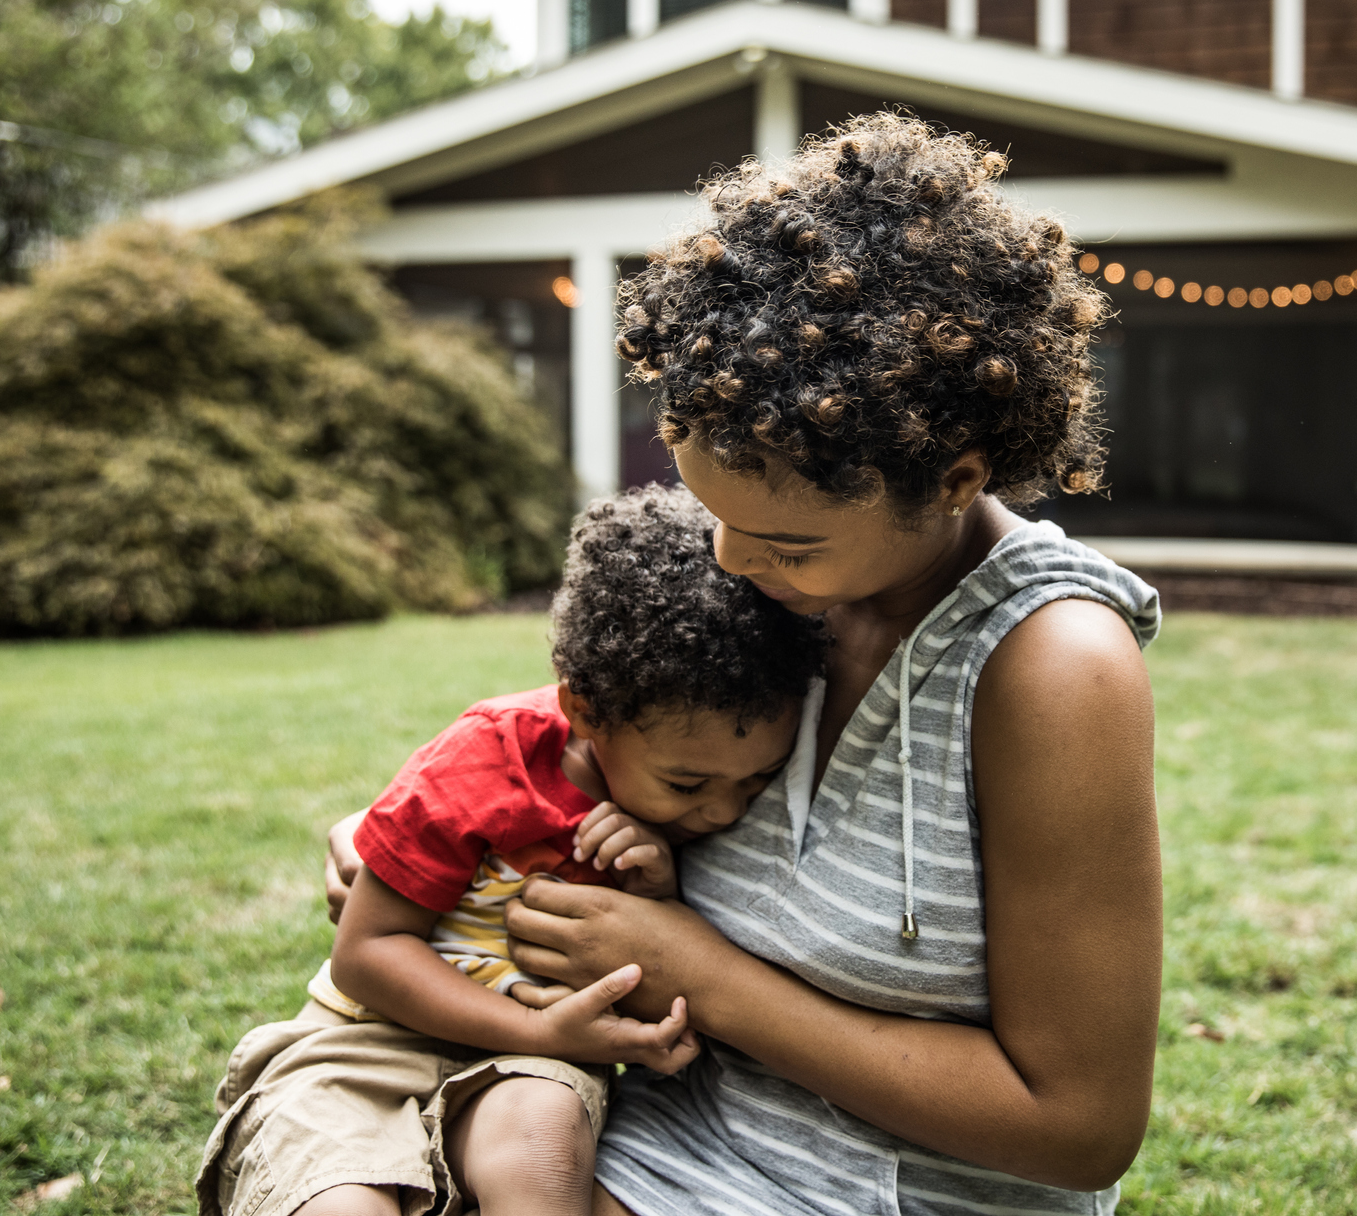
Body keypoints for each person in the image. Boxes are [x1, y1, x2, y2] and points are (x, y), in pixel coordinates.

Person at [330, 112, 1166, 1216]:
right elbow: (595, 730)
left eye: (784, 541)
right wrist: (416, 829)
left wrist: (709, 979)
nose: (729, 559)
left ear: (955, 478)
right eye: (714, 513)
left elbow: (1079, 1127)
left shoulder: (1052, 666)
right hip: (641, 1145)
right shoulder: (776, 573)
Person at [203, 486, 829, 1216]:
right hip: (367, 1042)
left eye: (755, 779)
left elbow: (659, 956)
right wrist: (536, 1026)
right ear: (586, 711)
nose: (723, 810)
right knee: (339, 1203)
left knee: (536, 1162)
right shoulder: (485, 760)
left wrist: (657, 886)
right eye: (687, 782)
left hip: (535, 1064)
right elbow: (366, 954)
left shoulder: (676, 811)